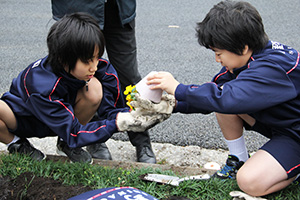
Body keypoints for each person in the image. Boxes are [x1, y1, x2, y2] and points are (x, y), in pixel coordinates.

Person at [131, 0, 300, 197]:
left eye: (219, 53)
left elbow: (224, 98)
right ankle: (238, 160)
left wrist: (177, 88)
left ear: (243, 47)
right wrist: (170, 104)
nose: (217, 60)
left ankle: (291, 170)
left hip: (295, 135)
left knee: (249, 181)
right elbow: (212, 95)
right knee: (223, 96)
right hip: (285, 127)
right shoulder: (250, 58)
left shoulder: (272, 68)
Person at [0, 13, 167, 164]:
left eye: (97, 58)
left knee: (94, 88)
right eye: (87, 61)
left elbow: (111, 109)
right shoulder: (41, 87)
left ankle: (66, 144)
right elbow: (79, 130)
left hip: (62, 116)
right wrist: (116, 124)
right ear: (64, 59)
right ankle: (16, 143)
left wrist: (132, 114)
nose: (94, 67)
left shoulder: (100, 69)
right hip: (25, 119)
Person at [50, 0, 156, 164]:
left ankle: (142, 141)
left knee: (129, 77)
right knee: (82, 77)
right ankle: (92, 139)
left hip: (118, 7)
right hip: (77, 7)